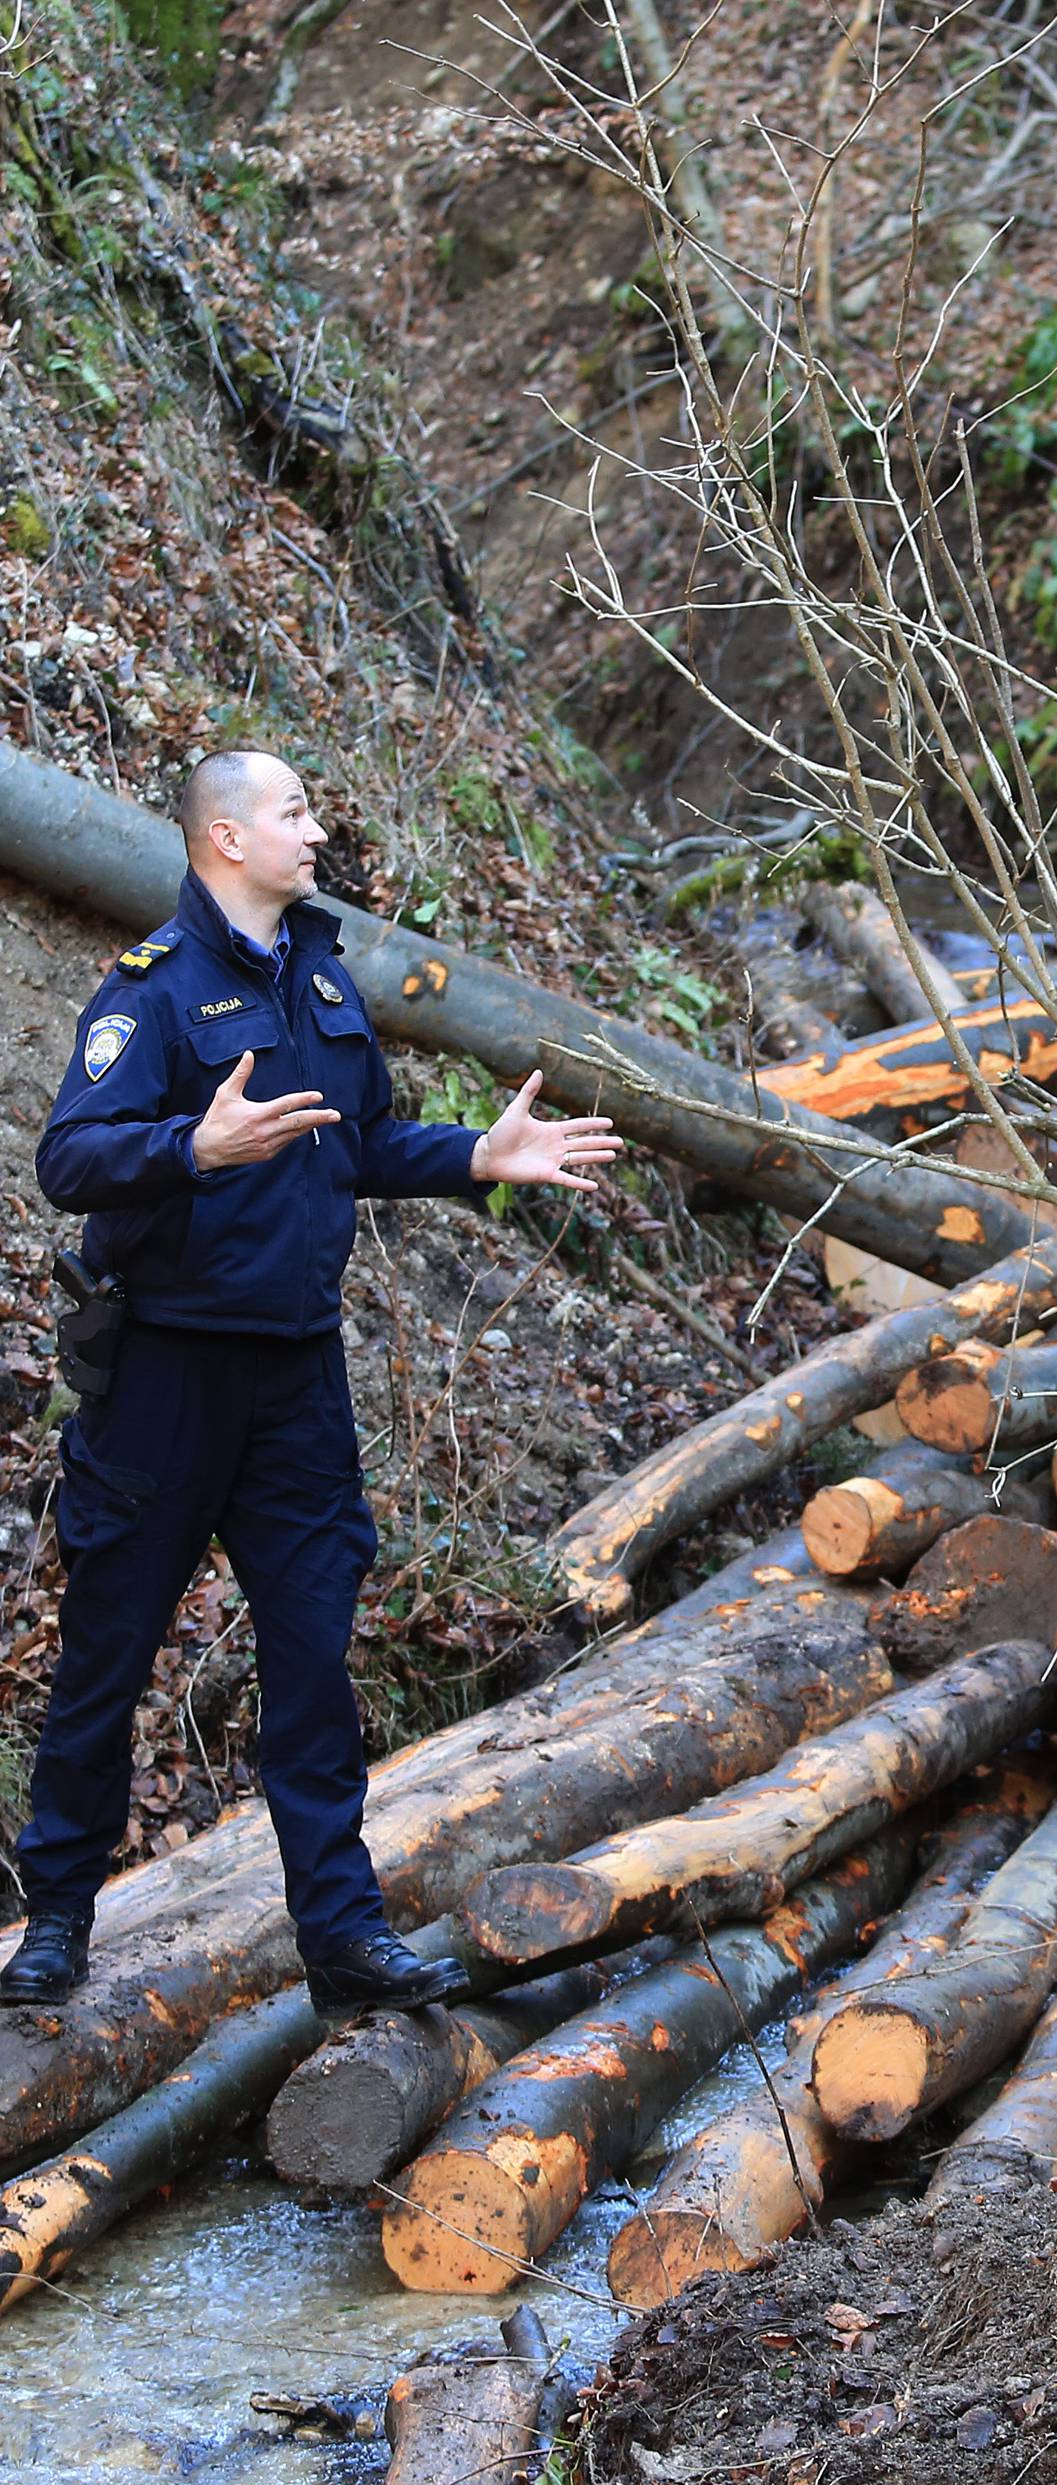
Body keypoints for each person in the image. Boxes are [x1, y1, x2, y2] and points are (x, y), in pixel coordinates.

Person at [2, 749, 621, 2019]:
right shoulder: (154, 995)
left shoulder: (319, 973)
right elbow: (72, 1156)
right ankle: (57, 1921)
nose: (313, 826)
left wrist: (476, 1157)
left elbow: (363, 1144)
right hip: (165, 1382)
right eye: (291, 811)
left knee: (311, 1662)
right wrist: (194, 1144)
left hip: (296, 1385)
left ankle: (342, 1935)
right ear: (223, 837)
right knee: (107, 1655)